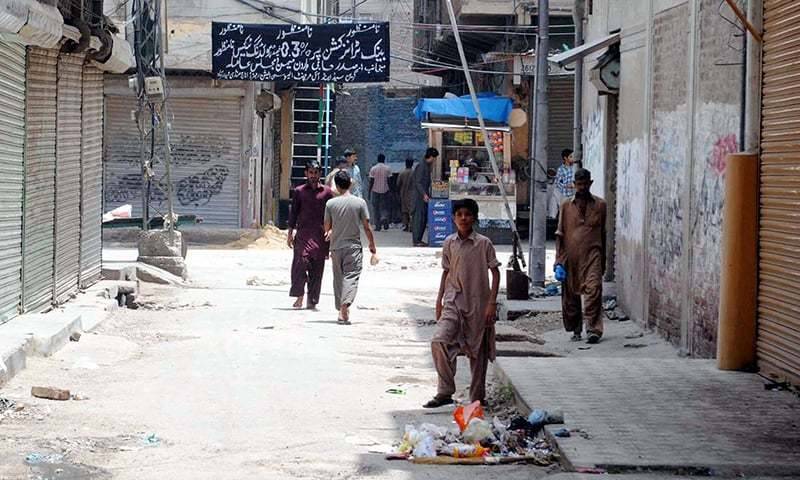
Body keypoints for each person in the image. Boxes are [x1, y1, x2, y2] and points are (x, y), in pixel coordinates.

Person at [424, 198, 500, 408]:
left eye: (467, 214)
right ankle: (445, 391)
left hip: (478, 303)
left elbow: (495, 272)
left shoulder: (484, 243)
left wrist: (492, 303)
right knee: (439, 341)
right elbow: (446, 272)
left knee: (478, 352)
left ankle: (477, 398)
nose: (463, 218)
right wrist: (439, 300)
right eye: (459, 215)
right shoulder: (449, 242)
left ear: (474, 217)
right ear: (453, 218)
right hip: (453, 301)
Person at [555, 168, 607, 344]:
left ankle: (593, 328)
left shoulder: (600, 205)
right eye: (579, 184)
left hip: (593, 255)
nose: (582, 187)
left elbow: (604, 234)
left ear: (590, 183)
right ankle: (575, 328)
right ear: (574, 185)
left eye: (585, 184)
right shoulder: (565, 206)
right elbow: (560, 234)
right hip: (571, 256)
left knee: (594, 289)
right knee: (571, 296)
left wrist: (604, 260)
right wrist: (558, 261)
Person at [324, 170, 377, 325]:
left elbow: (327, 227)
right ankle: (344, 307)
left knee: (339, 278)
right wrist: (372, 245)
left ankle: (341, 307)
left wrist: (331, 232)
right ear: (350, 184)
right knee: (351, 277)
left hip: (336, 247)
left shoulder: (330, 204)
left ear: (337, 186)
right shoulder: (359, 203)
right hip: (353, 247)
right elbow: (367, 227)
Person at [287, 161, 335, 310]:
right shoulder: (299, 191)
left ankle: (312, 299)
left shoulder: (327, 193)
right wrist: (290, 233)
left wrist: (332, 231)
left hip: (320, 235)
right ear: (306, 173)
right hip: (303, 234)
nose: (313, 175)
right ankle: (300, 295)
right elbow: (293, 213)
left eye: (316, 172)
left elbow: (332, 214)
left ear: (320, 173)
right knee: (300, 263)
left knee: (317, 268)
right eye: (311, 172)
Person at [412, 147, 439, 247]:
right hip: (419, 197)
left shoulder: (427, 166)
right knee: (418, 218)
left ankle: (419, 239)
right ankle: (416, 240)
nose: (435, 161)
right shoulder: (421, 166)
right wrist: (424, 194)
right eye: (434, 158)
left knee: (423, 218)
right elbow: (418, 182)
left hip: (424, 196)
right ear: (431, 157)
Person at [368, 153, 392, 231]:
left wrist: (369, 192)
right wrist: (391, 191)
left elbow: (371, 181)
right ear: (384, 160)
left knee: (376, 208)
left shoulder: (373, 169)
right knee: (385, 207)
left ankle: (378, 226)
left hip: (375, 191)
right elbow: (389, 181)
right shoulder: (387, 169)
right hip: (385, 191)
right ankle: (384, 218)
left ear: (377, 160)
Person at [550, 148, 575, 219]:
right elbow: (558, 182)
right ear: (565, 158)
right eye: (570, 156)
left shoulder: (574, 167)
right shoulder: (561, 169)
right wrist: (566, 186)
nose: (572, 158)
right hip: (564, 195)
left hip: (573, 194)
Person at [397, 158, 415, 232]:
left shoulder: (402, 173)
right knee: (411, 211)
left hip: (403, 194)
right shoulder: (414, 173)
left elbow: (398, 184)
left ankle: (406, 225)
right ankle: (412, 225)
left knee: (404, 211)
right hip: (412, 194)